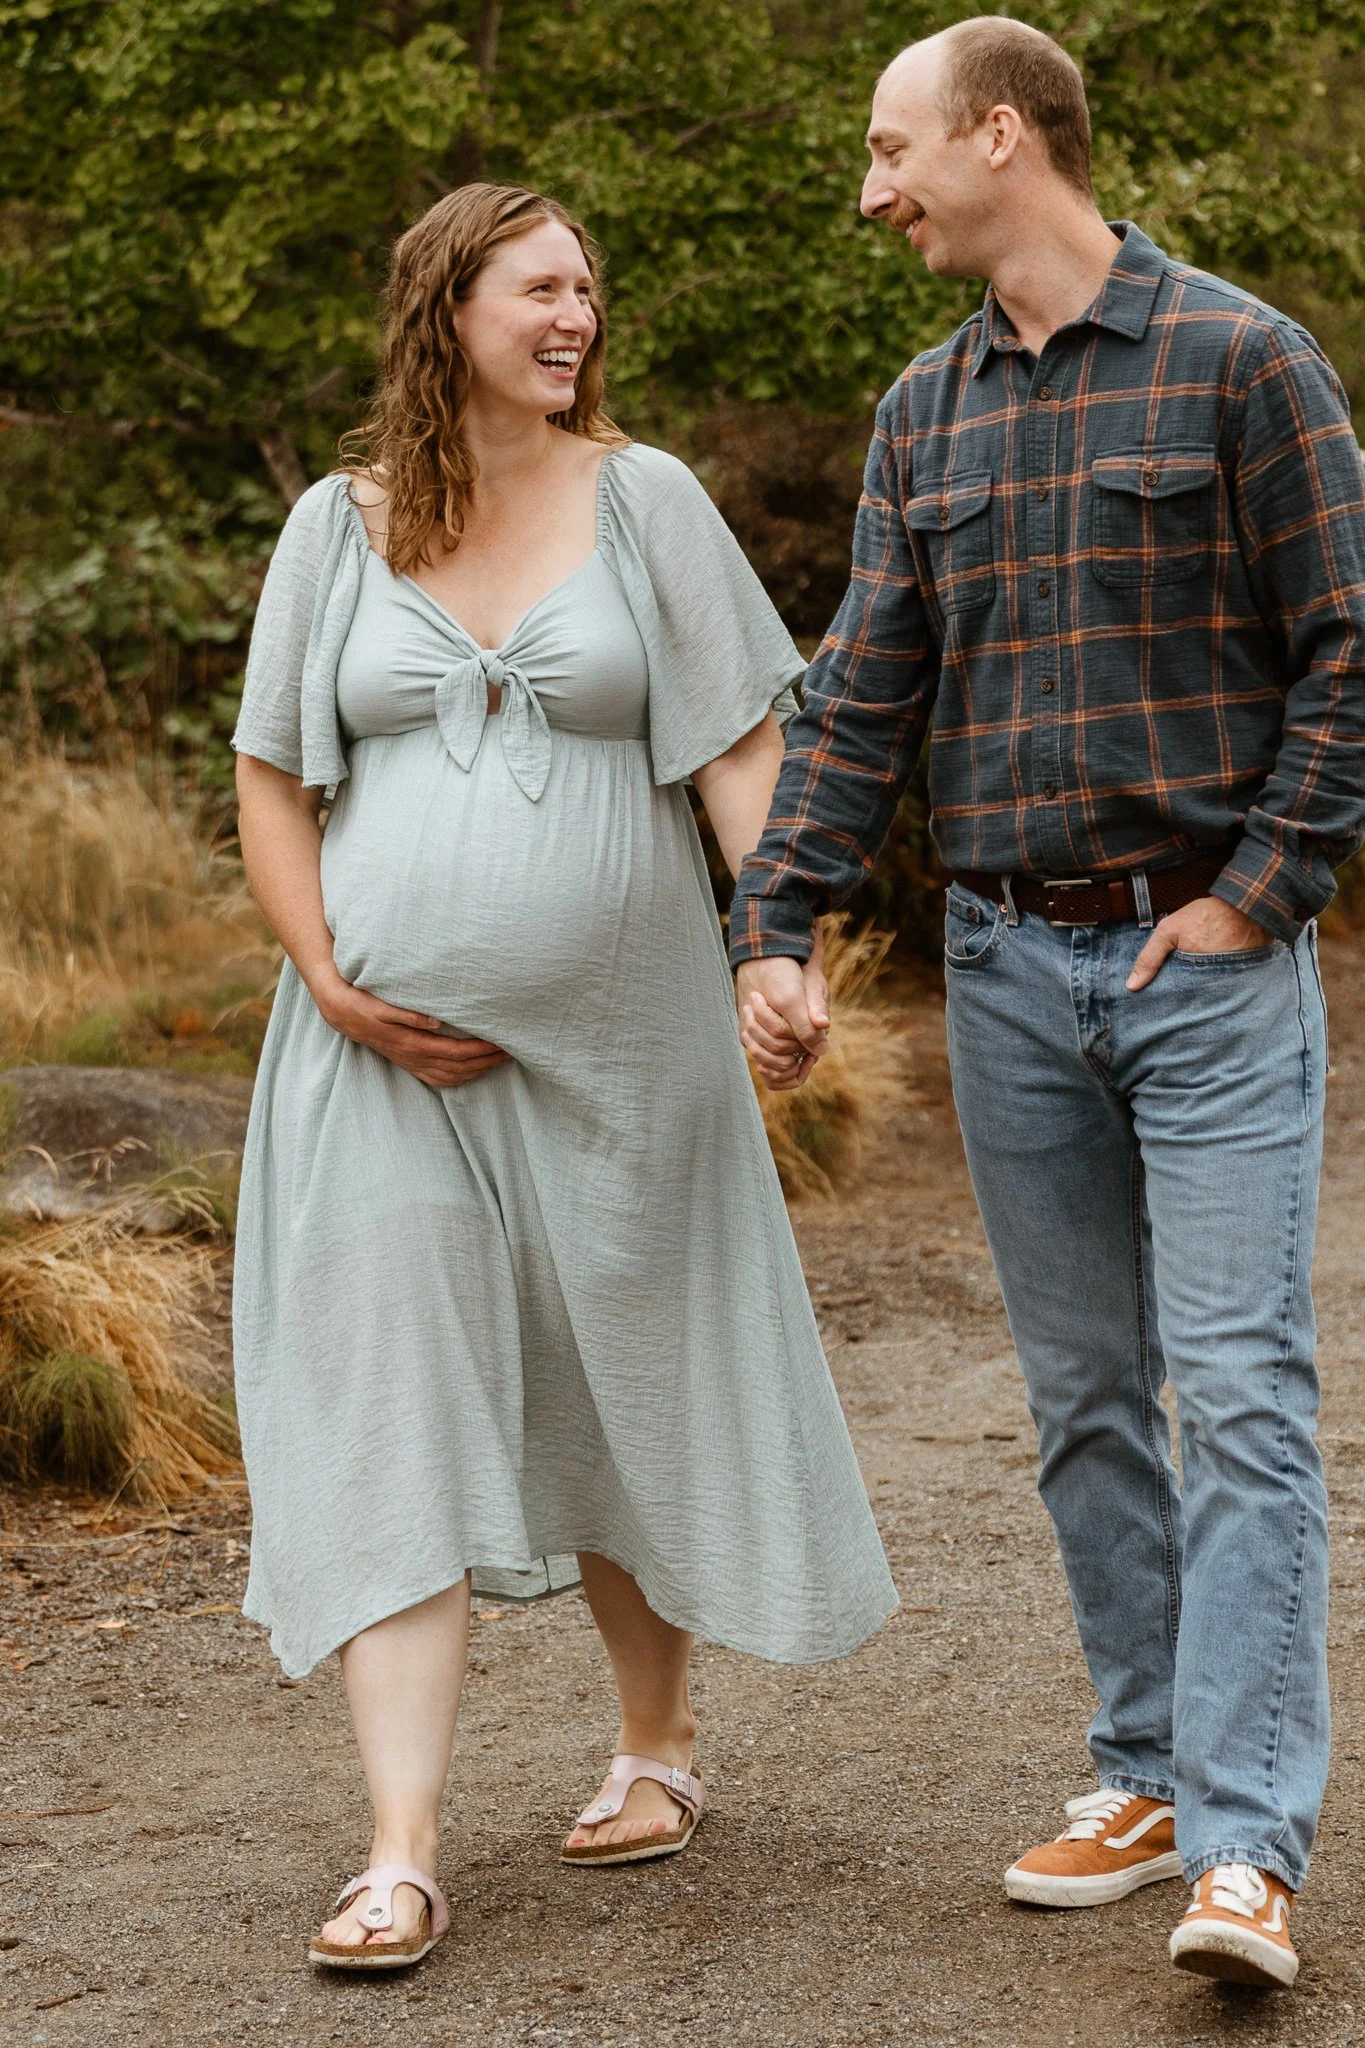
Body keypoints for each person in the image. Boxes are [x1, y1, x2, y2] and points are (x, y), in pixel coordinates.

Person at [731, 16, 1365, 1995]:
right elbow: (860, 695)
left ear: (1002, 137)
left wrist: (1259, 893)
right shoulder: (925, 413)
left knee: (1241, 1395)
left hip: (1206, 963)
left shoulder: (1244, 361)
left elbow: (1348, 652)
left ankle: (1247, 1846)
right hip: (1009, 969)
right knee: (1088, 1397)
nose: (870, 187)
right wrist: (782, 917)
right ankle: (1145, 1768)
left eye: (891, 145)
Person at [231, 182, 896, 1971]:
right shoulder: (334, 525)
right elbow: (275, 779)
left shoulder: (645, 499)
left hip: (627, 1050)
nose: (574, 316)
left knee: (622, 1375)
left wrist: (778, 946)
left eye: (589, 290)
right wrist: (328, 981)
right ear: (445, 302)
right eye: (540, 287)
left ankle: (656, 1745)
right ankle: (399, 1849)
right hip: (379, 1063)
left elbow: (743, 752)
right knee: (391, 1400)